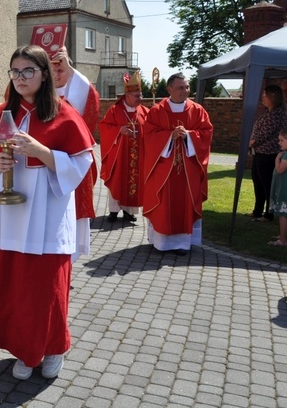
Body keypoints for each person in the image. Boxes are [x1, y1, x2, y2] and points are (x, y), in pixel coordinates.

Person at [0, 45, 95, 380]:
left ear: (44, 74)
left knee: (46, 288)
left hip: (46, 214)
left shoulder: (63, 113)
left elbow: (83, 162)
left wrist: (42, 151)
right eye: (15, 71)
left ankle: (55, 348)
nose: (21, 78)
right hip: (10, 217)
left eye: (28, 71)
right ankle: (25, 351)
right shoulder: (1, 115)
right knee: (16, 287)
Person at [142, 73, 213, 256]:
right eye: (181, 87)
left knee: (185, 203)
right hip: (165, 169)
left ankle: (182, 244)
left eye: (187, 87)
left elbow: (206, 133)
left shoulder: (197, 111)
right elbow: (148, 136)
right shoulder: (157, 111)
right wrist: (168, 137)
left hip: (188, 170)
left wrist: (189, 135)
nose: (185, 91)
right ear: (170, 89)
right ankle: (160, 243)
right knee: (164, 204)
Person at [50, 46, 98, 258]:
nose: (58, 74)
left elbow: (89, 97)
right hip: (46, 165)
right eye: (54, 70)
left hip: (73, 164)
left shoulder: (74, 94)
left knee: (74, 214)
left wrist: (69, 67)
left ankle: (70, 259)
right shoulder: (40, 95)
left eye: (62, 70)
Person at [99, 70, 149, 222]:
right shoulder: (115, 110)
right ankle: (113, 211)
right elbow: (103, 126)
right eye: (136, 96)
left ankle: (129, 212)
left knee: (134, 181)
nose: (140, 98)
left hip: (138, 155)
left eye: (140, 95)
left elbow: (152, 129)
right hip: (119, 155)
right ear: (127, 96)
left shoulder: (145, 111)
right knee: (117, 179)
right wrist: (119, 130)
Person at [246, 85, 286, 222]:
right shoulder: (268, 112)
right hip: (259, 153)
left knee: (267, 184)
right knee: (257, 182)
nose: (263, 98)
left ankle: (269, 214)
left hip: (269, 155)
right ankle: (257, 211)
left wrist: (251, 142)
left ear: (273, 97)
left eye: (265, 95)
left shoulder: (277, 114)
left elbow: (264, 133)